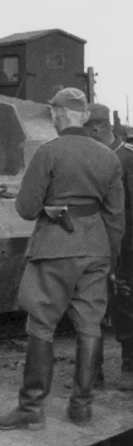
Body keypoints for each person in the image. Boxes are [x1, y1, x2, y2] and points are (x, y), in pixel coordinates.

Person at [0, 88, 124, 430]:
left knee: (41, 325)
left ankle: (31, 407)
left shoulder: (48, 152)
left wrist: (49, 207)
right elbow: (116, 218)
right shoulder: (108, 157)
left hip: (55, 247)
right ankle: (82, 407)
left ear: (56, 114)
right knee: (90, 325)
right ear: (85, 116)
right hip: (96, 249)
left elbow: (26, 208)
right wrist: (109, 258)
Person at [85, 103, 133, 392]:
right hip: (93, 244)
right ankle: (94, 369)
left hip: (126, 246)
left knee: (124, 304)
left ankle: (130, 364)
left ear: (96, 129)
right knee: (89, 306)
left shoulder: (127, 159)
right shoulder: (90, 159)